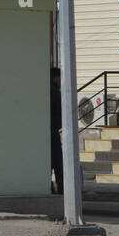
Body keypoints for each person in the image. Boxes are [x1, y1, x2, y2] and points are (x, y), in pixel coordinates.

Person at [50, 67, 64, 195]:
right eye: (60, 77)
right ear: (55, 77)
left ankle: (51, 188)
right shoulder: (54, 93)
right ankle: (62, 190)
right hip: (52, 132)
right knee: (58, 164)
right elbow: (61, 111)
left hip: (46, 132)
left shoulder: (47, 91)